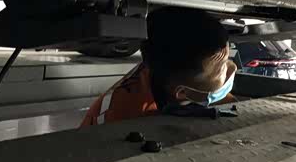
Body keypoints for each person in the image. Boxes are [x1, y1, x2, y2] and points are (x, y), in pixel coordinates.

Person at [80, 7, 236, 127]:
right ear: (182, 93)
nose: (232, 68)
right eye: (222, 68)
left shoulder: (168, 67)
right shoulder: (123, 120)